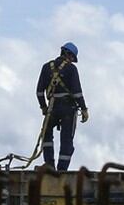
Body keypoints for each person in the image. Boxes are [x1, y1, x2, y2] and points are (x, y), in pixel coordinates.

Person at [36, 42, 89, 171]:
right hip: (68, 109)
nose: (72, 61)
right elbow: (77, 92)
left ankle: (49, 165)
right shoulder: (71, 69)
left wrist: (43, 107)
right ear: (68, 55)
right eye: (72, 58)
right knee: (66, 140)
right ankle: (62, 170)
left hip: (52, 108)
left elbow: (39, 91)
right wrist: (84, 109)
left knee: (46, 135)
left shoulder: (46, 67)